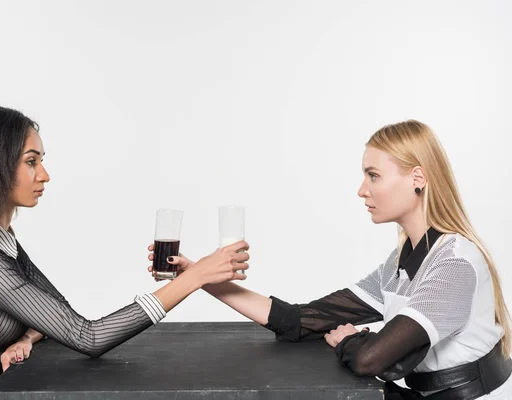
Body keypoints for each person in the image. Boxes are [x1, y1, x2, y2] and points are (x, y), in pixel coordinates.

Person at [149, 120, 512, 399]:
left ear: (417, 179)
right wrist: (197, 276)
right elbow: (300, 321)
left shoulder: (453, 264)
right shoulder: (402, 260)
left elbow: (371, 360)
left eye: (373, 175)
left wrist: (350, 341)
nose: (361, 189)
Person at [0, 104, 250, 399]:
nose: (44, 175)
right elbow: (86, 336)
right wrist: (195, 277)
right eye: (31, 162)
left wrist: (28, 336)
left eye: (42, 161)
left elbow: (56, 313)